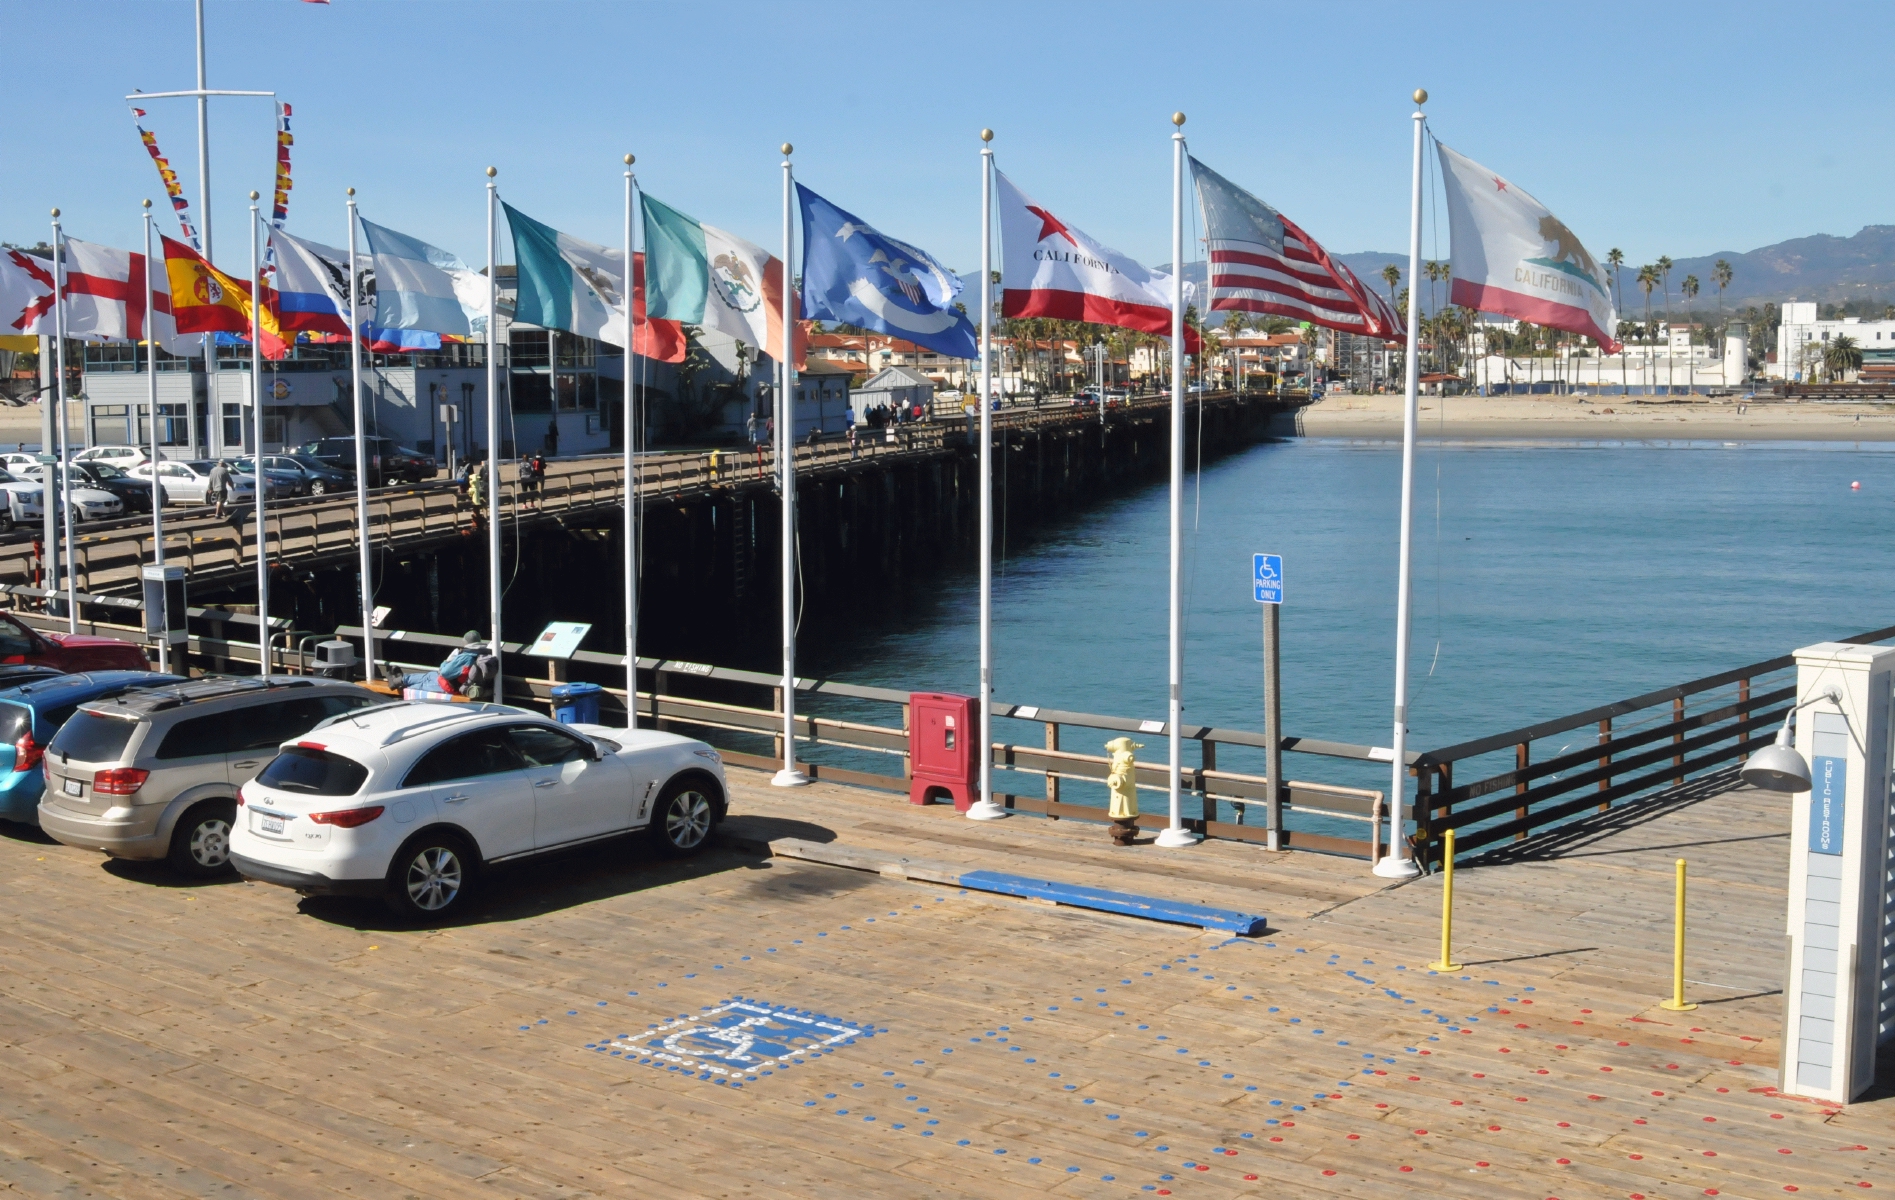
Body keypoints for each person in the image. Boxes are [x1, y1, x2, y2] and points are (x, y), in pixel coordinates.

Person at [388, 630, 486, 695]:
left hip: (448, 686)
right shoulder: (478, 653)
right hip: (449, 681)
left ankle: (399, 683)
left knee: (415, 687)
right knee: (428, 676)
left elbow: (445, 672)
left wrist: (445, 662)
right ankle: (400, 679)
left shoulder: (466, 657)